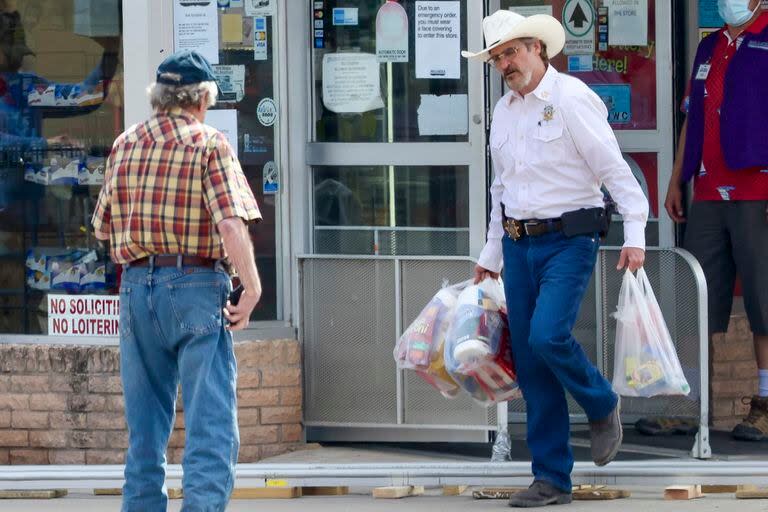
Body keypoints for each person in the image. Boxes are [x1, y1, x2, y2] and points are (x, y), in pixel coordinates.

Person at [462, 10, 649, 507]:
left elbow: (615, 169)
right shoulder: (503, 111)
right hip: (518, 242)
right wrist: (491, 253)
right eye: (498, 56)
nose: (506, 62)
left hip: (570, 239)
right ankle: (551, 479)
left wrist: (636, 233)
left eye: (513, 51)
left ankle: (601, 402)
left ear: (538, 48)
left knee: (548, 335)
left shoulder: (571, 99)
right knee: (530, 358)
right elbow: (502, 190)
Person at [91, 50, 263, 511]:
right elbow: (230, 224)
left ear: (160, 97)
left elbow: (102, 227)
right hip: (197, 287)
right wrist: (252, 286)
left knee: (144, 433)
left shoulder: (125, 143)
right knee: (210, 425)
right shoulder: (209, 143)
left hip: (135, 288)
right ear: (203, 98)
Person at [661, 0, 768, 441]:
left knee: (763, 301)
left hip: (756, 188)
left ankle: (764, 404)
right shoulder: (709, 46)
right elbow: (694, 117)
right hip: (707, 190)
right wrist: (676, 180)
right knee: (699, 299)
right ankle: (692, 404)